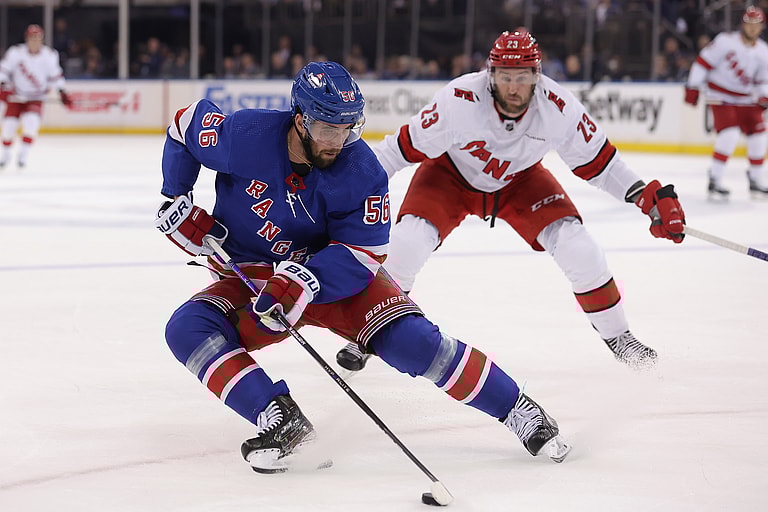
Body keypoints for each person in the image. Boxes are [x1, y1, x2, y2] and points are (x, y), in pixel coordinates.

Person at [154, 61, 571, 473]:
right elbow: (184, 126)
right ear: (300, 120)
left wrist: (306, 278)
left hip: (334, 282)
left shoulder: (361, 170)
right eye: (327, 130)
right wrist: (177, 197)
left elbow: (364, 252)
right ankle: (281, 419)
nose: (337, 141)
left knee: (414, 343)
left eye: (347, 128)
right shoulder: (245, 136)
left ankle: (516, 407)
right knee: (187, 329)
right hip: (256, 280)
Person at [336, 29, 686, 373]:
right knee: (407, 243)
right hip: (448, 175)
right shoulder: (458, 100)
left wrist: (647, 198)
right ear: (490, 74)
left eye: (522, 77)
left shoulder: (559, 107)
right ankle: (367, 330)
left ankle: (619, 337)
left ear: (537, 75)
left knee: (580, 248)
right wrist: (346, 190)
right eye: (505, 77)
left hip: (520, 180)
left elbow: (602, 164)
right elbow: (397, 151)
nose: (514, 87)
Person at [684, 6, 768, 199]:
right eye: (749, 23)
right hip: (720, 96)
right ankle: (715, 178)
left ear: (762, 27)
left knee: (759, 136)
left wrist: (764, 96)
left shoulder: (764, 52)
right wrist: (693, 86)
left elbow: (762, 82)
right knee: (729, 134)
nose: (752, 28)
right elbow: (702, 63)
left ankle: (756, 179)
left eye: (756, 24)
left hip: (746, 99)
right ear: (743, 24)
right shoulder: (725, 41)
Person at [0, 24, 72, 169]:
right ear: (27, 38)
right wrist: (3, 85)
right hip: (16, 96)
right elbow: (3, 71)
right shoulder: (16, 52)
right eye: (32, 37)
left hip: (36, 98)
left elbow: (56, 76)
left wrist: (62, 92)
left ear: (42, 39)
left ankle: (23, 155)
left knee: (31, 126)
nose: (34, 41)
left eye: (38, 37)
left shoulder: (49, 55)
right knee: (8, 128)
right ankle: (5, 155)